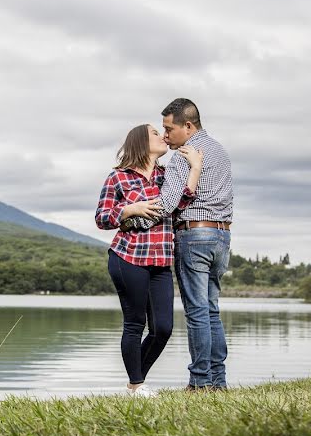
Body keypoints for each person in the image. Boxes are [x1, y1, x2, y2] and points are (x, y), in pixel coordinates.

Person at [95, 124, 202, 397]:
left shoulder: (167, 176)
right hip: (127, 256)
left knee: (163, 328)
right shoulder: (118, 177)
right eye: (156, 133)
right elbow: (102, 218)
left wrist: (195, 169)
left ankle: (133, 384)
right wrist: (130, 208)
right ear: (142, 143)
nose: (163, 136)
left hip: (160, 261)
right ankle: (138, 385)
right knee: (134, 324)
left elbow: (179, 205)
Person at [156, 98, 234, 391]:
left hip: (194, 235)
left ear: (187, 126)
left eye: (169, 128)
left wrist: (131, 211)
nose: (166, 136)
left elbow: (167, 204)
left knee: (197, 311)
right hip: (222, 237)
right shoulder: (220, 151)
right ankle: (218, 381)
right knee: (211, 308)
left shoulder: (183, 157)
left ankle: (199, 382)